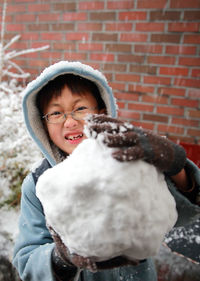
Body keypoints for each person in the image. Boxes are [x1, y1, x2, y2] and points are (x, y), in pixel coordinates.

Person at [13, 61, 200, 281]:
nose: (70, 121)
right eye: (56, 113)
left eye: (80, 108)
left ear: (102, 113)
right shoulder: (38, 184)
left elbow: (182, 220)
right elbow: (26, 261)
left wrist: (176, 168)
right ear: (43, 124)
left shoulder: (129, 163)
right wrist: (62, 257)